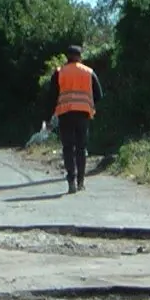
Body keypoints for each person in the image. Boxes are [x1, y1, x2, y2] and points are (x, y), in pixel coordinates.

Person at [47, 46, 103, 193]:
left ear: (67, 57)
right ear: (80, 56)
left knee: (68, 147)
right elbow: (99, 94)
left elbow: (52, 95)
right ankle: (81, 182)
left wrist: (50, 114)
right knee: (81, 147)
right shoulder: (89, 72)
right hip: (83, 114)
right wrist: (89, 103)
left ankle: (71, 180)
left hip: (65, 113)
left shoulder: (60, 72)